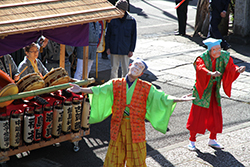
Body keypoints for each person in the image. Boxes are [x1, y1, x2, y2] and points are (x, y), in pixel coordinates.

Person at [68, 58, 195, 166]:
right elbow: (99, 90)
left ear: (141, 73)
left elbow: (162, 97)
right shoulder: (116, 83)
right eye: (135, 65)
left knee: (137, 156)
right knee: (115, 155)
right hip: (118, 124)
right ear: (130, 66)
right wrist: (81, 90)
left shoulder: (146, 87)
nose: (137, 68)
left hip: (136, 126)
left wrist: (178, 99)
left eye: (140, 68)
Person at [186, 38, 246, 151]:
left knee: (215, 115)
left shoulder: (223, 56)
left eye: (219, 49)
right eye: (214, 50)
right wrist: (211, 73)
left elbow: (231, 67)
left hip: (214, 90)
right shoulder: (202, 58)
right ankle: (192, 140)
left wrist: (238, 70)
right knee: (197, 116)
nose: (217, 52)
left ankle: (212, 139)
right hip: (202, 91)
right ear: (209, 50)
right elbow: (200, 68)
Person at [105, 0, 136, 79]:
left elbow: (134, 37)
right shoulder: (112, 19)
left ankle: (125, 86)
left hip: (126, 49)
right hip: (114, 48)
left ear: (124, 10)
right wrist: (107, 47)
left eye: (118, 9)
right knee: (113, 69)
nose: (116, 11)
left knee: (125, 70)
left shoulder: (131, 21)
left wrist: (131, 50)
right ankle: (112, 86)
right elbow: (107, 34)